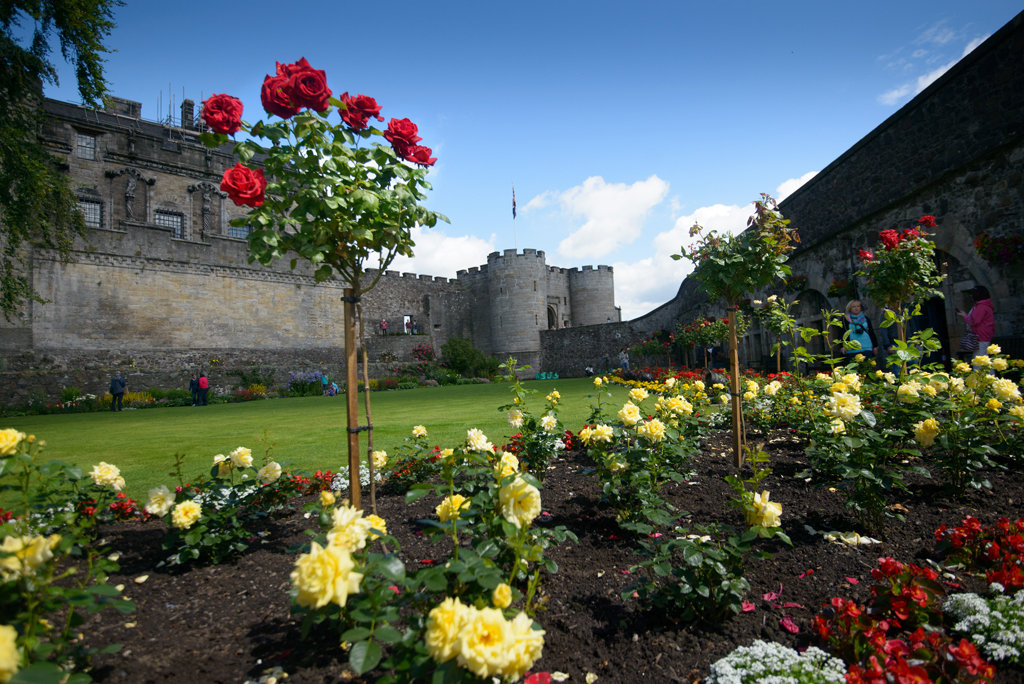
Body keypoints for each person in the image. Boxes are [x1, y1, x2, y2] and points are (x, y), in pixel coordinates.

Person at [959, 285, 994, 363]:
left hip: (981, 336)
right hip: (983, 335)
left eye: (972, 294)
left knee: (980, 361)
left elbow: (974, 322)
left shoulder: (981, 306)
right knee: (983, 360)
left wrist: (964, 316)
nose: (971, 296)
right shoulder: (983, 306)